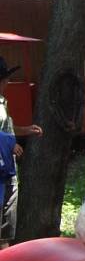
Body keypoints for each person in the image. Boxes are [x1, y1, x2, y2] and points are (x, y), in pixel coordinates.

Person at [0, 57, 43, 240]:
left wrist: (25, 130)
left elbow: (7, 128)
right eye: (6, 78)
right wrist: (11, 144)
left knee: (6, 226)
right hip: (2, 171)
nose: (7, 82)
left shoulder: (2, 102)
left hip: (7, 169)